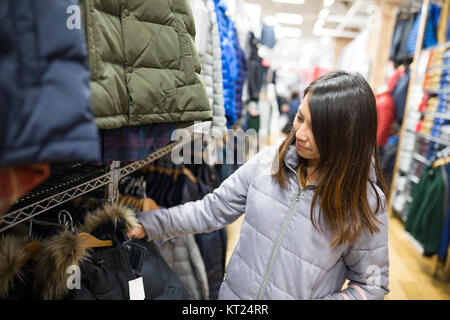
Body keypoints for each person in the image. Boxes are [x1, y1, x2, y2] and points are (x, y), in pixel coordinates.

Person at [128, 71, 390, 300]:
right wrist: (151, 224)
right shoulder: (269, 162)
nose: (299, 134)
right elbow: (213, 209)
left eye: (317, 129)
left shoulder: (365, 202)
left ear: (345, 137)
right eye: (300, 118)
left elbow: (372, 285)